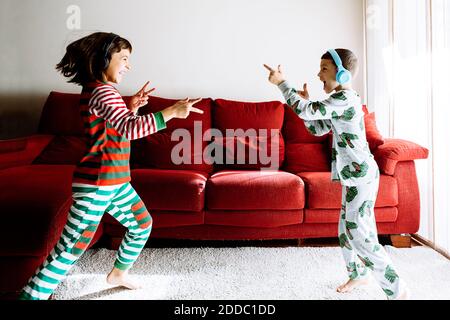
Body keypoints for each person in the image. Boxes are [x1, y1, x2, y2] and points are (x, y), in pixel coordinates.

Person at [19, 32, 203, 300]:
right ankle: (29, 297)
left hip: (114, 181)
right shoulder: (102, 92)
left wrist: (131, 106)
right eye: (124, 59)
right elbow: (128, 130)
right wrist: (171, 113)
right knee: (72, 246)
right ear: (102, 58)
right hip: (97, 182)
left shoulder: (103, 92)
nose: (128, 66)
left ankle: (117, 274)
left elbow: (114, 127)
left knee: (141, 224)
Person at [263, 49, 409, 300]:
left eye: (324, 69)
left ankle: (398, 292)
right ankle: (359, 274)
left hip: (360, 176)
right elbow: (318, 127)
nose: (318, 74)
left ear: (341, 73)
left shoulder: (345, 98)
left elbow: (307, 111)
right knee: (347, 228)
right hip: (354, 176)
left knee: (359, 234)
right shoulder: (340, 101)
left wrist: (282, 84)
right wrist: (305, 100)